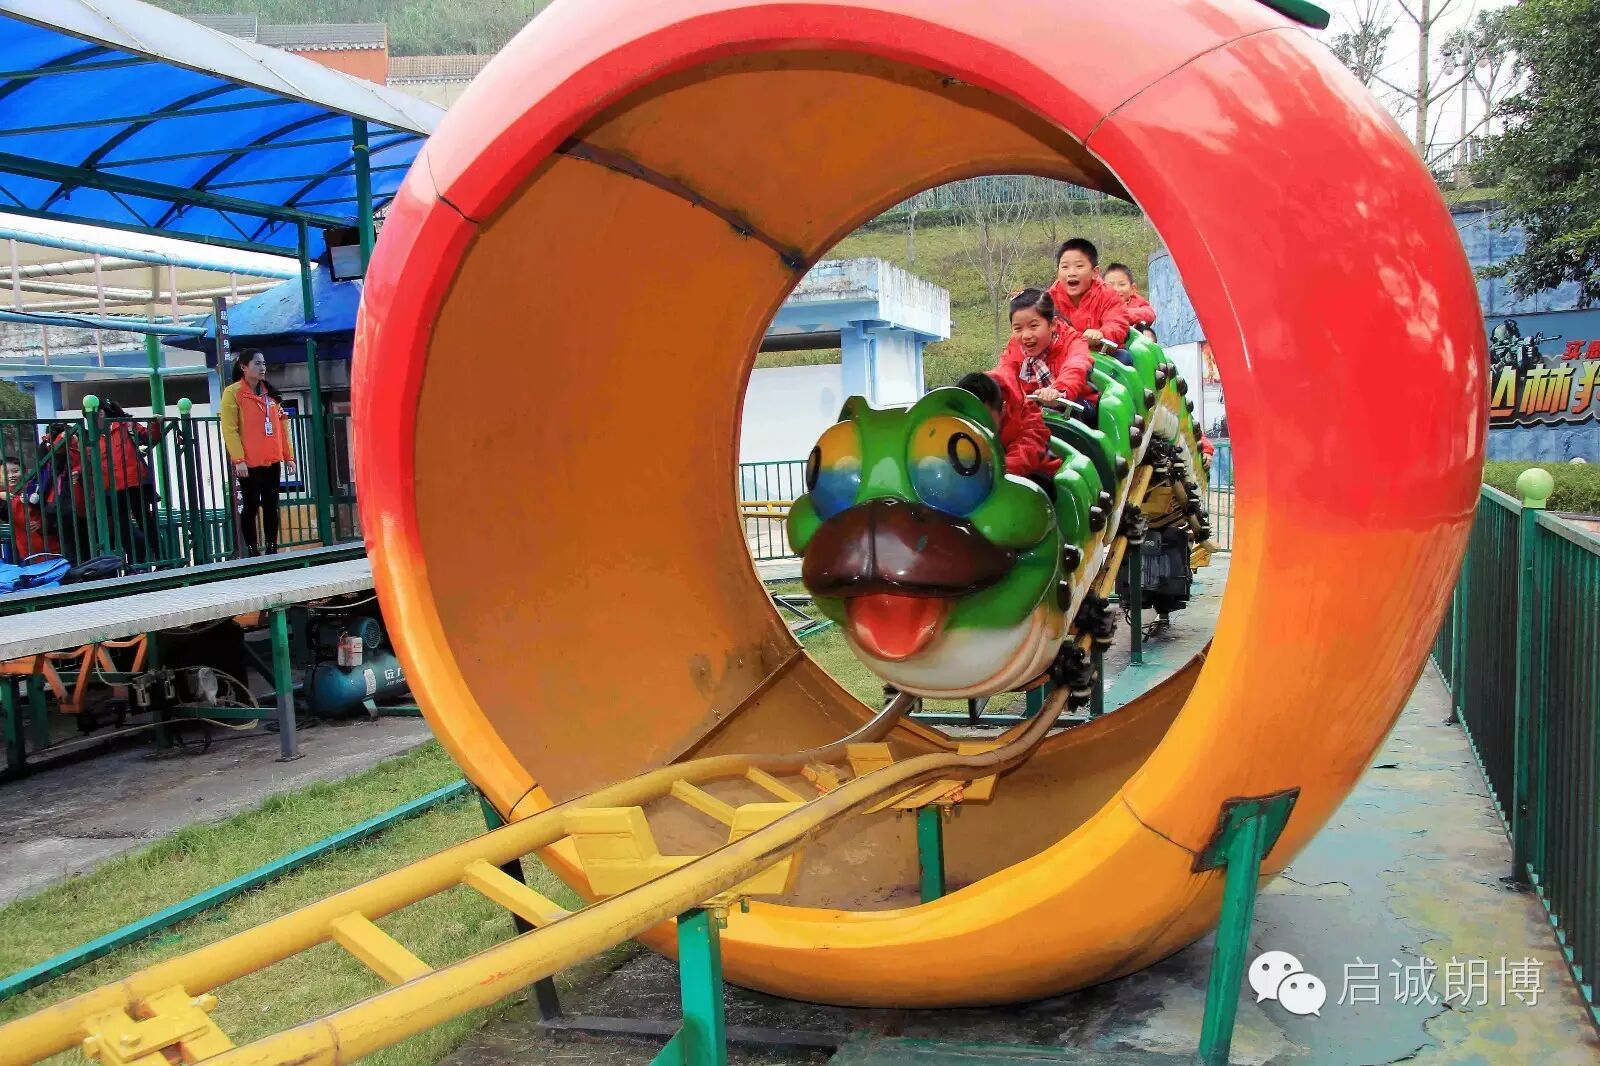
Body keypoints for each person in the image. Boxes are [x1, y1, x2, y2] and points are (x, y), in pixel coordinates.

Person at [221, 350, 296, 556]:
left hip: (271, 460)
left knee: (271, 505)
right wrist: (239, 459)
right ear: (244, 367)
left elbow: (282, 427)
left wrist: (288, 456)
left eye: (263, 363)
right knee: (251, 505)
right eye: (257, 363)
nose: (262, 367)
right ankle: (253, 551)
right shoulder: (233, 393)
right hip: (249, 463)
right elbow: (229, 429)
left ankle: (272, 548)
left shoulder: (270, 394)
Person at [994, 288, 1098, 426]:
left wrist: (1058, 390)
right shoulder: (1015, 346)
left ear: (1053, 324)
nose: (1026, 336)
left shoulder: (1074, 341)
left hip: (1075, 404)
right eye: (1018, 328)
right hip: (1035, 406)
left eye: (1033, 326)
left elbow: (1075, 367)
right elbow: (1005, 371)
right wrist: (984, 386)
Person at [954, 371, 1061, 497]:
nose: (978, 428)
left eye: (985, 420)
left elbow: (1027, 450)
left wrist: (993, 473)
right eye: (972, 419)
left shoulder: (1027, 417)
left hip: (1033, 472)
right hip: (983, 471)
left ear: (1003, 410)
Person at [92, 398, 161, 566]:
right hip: (113, 487)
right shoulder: (94, 436)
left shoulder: (125, 425)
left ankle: (161, 558)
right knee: (123, 527)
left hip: (134, 482)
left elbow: (149, 438)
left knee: (145, 521)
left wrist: (155, 424)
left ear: (100, 413)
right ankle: (135, 564)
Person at [1047, 238, 1131, 351]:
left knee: (1125, 357)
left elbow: (1117, 323)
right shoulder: (1048, 299)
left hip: (1103, 352)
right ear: (1058, 272)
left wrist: (1101, 334)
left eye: (1079, 266)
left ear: (1095, 272)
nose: (1071, 273)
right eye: (1065, 267)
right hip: (1066, 354)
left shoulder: (1107, 294)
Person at [1102, 262, 1157, 333]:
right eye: (1110, 285)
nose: (1116, 289)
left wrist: (1123, 313)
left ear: (1132, 289)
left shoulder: (1136, 302)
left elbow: (1150, 314)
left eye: (1122, 284)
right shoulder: (1099, 304)